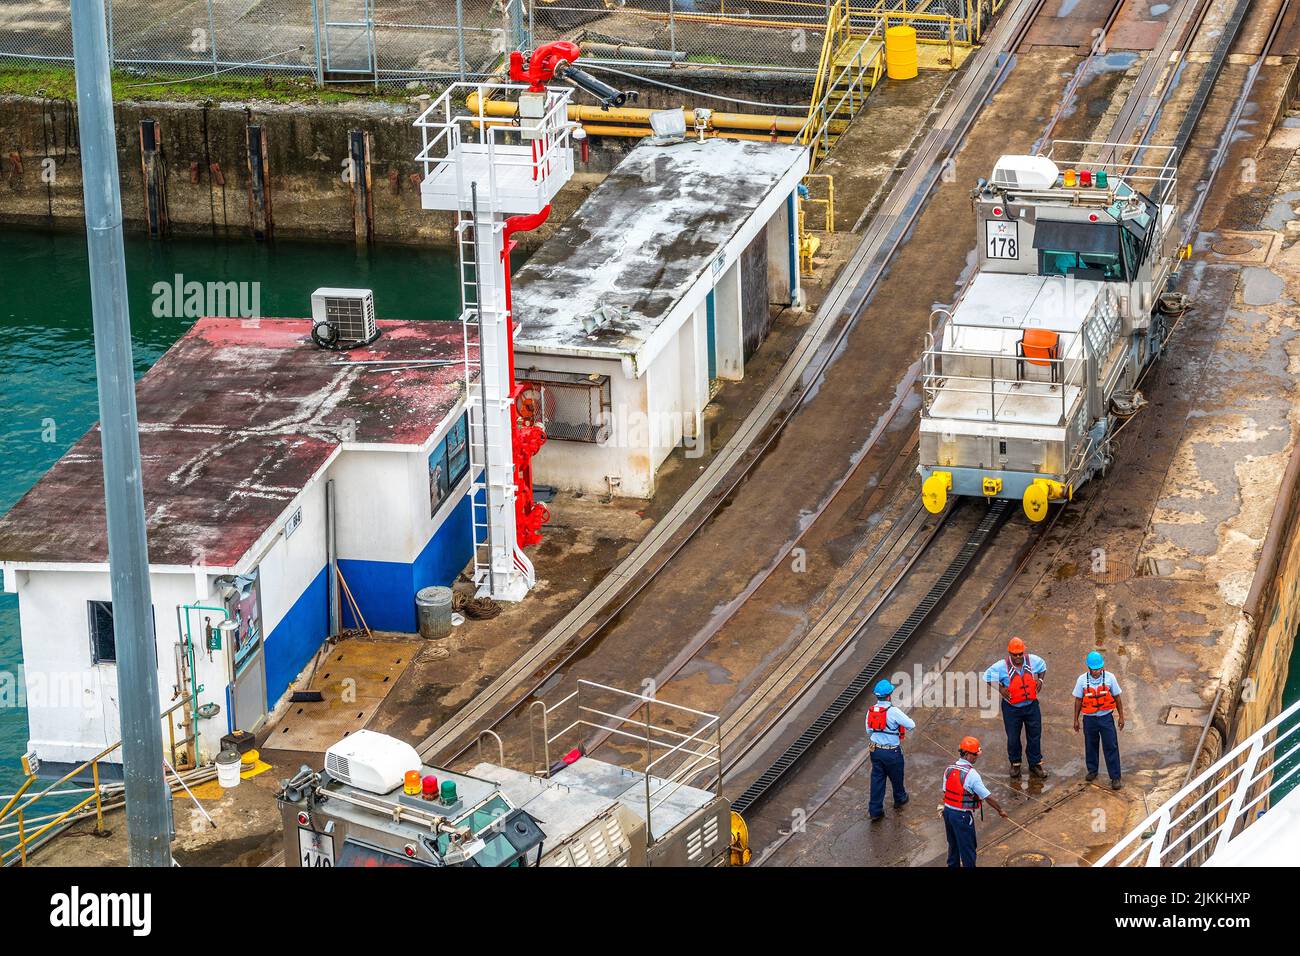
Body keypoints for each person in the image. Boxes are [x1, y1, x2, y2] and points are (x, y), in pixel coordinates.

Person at [984, 637, 1048, 778]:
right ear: (1009, 653)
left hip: (1031, 707)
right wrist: (1000, 689)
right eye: (1015, 655)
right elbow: (987, 677)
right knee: (1013, 737)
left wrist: (1040, 680)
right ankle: (1015, 763)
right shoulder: (1000, 667)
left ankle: (1035, 763)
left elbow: (1043, 667)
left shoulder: (1033, 661)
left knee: (1035, 735)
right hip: (1012, 708)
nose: (1018, 657)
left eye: (1020, 654)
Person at [941, 736, 1008, 868]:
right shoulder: (971, 775)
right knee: (968, 848)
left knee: (953, 845)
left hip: (948, 813)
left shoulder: (948, 769)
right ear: (966, 754)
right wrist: (1000, 810)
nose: (976, 757)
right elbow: (987, 796)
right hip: (962, 816)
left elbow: (945, 791)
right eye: (974, 754)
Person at [1072, 651, 1124, 789]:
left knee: (1111, 746)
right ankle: (1092, 770)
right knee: (1090, 745)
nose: (1096, 671)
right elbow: (1078, 700)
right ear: (1088, 668)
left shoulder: (1110, 678)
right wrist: (1076, 720)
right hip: (1089, 720)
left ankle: (1115, 777)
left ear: (1103, 666)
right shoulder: (1082, 680)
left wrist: (1121, 716)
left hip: (1106, 718)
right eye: (1094, 669)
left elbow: (1117, 698)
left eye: (1099, 668)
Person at [866, 679, 915, 821]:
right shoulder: (893, 711)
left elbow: (868, 730)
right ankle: (899, 798)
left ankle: (875, 810)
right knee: (896, 775)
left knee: (877, 778)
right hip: (891, 752)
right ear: (889, 695)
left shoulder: (870, 711)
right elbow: (911, 724)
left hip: (875, 750)